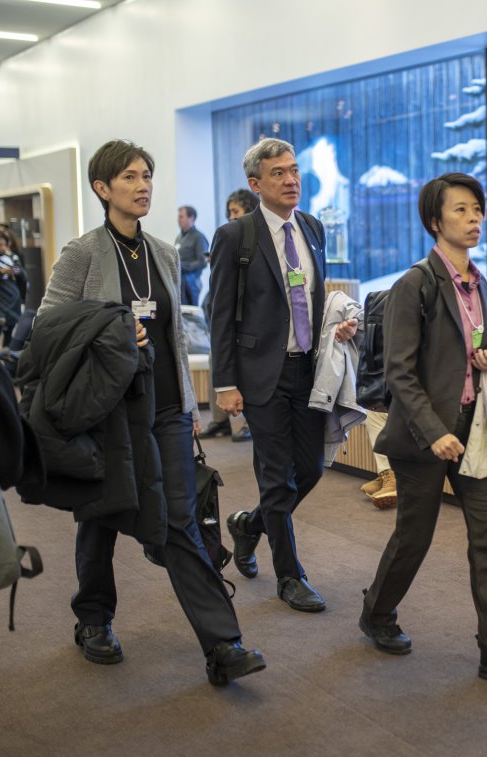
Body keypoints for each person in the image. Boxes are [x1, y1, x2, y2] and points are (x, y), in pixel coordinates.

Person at [34, 139, 264, 685]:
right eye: (130, 177)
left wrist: (187, 403)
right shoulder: (83, 253)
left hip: (165, 410)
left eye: (146, 176)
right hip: (107, 412)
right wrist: (111, 329)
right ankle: (93, 620)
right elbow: (46, 326)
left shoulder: (164, 252)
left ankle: (223, 644)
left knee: (179, 519)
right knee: (100, 517)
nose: (143, 186)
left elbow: (173, 336)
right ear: (102, 188)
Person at [359, 172, 487, 687]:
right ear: (435, 221)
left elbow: (477, 350)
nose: (473, 219)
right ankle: (376, 612)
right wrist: (433, 430)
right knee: (414, 537)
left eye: (477, 210)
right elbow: (399, 371)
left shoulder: (482, 284)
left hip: (477, 430)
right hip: (425, 436)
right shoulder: (413, 284)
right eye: (460, 210)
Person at [209, 138, 358, 612]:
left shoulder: (311, 227)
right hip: (261, 375)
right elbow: (220, 314)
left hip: (308, 369)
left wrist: (338, 326)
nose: (291, 179)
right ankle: (291, 577)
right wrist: (225, 383)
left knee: (310, 469)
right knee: (277, 480)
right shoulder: (236, 236)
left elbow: (313, 299)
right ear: (255, 184)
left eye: (293, 170)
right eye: (278, 173)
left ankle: (249, 525)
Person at [199, 189, 258, 442]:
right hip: (222, 313)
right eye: (230, 212)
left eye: (236, 211)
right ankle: (220, 421)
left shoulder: (257, 236)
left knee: (246, 366)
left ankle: (246, 423)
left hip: (247, 320)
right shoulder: (226, 235)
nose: (231, 216)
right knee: (217, 361)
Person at [0, 229, 28, 349]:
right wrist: (1, 273)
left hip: (14, 300)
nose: (2, 247)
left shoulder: (12, 257)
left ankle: (6, 356)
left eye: (4, 244)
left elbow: (23, 276)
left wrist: (17, 271)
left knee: (10, 332)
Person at [175, 205, 209, 306]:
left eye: (181, 217)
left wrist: (182, 266)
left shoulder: (199, 237)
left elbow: (202, 262)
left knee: (190, 313)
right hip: (179, 283)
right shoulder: (179, 237)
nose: (178, 219)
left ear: (191, 218)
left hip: (191, 283)